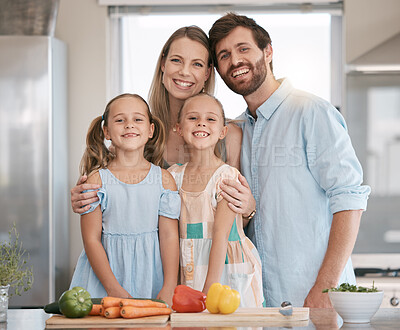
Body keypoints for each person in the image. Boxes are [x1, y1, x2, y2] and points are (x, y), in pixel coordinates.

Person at [208, 13, 371, 308]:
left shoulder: (312, 113)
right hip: (261, 305)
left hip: (315, 300)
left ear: (268, 51)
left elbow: (349, 200)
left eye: (243, 49)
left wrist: (325, 287)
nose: (235, 61)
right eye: (224, 55)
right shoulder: (236, 131)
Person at [71, 26, 257, 228]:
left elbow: (236, 221)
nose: (184, 71)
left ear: (207, 73)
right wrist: (85, 199)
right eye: (176, 60)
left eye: (197, 64)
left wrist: (248, 208)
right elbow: (111, 207)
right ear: (163, 64)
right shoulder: (138, 132)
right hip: (154, 258)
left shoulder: (228, 136)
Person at [69, 93, 180, 306]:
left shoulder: (164, 180)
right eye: (120, 120)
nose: (129, 125)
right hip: (105, 282)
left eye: (138, 119)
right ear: (106, 131)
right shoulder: (96, 181)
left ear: (150, 130)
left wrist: (169, 285)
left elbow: (168, 236)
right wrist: (114, 289)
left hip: (151, 279)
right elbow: (91, 239)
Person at [168, 93, 263, 307]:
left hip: (225, 271)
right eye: (193, 118)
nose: (202, 122)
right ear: (179, 128)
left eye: (210, 119)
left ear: (222, 132)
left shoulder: (226, 176)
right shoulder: (172, 177)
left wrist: (210, 287)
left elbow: (220, 234)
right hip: (190, 266)